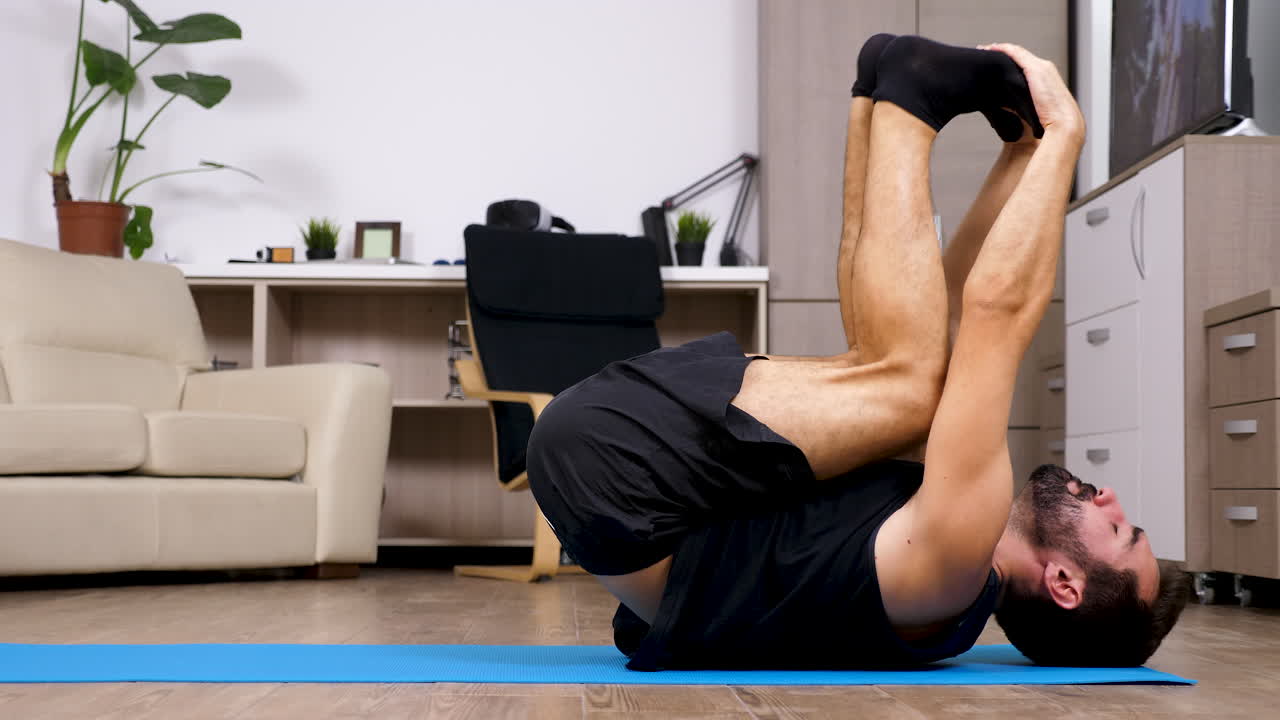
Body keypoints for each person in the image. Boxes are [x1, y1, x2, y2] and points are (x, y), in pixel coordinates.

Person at [526, 35, 1189, 670]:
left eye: (1122, 533)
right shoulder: (935, 588)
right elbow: (949, 313)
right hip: (613, 480)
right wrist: (1023, 149)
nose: (1114, 503)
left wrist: (1066, 135)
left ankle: (907, 93)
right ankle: (876, 94)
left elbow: (998, 313)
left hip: (616, 472)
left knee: (905, 384)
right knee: (897, 368)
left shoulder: (961, 555)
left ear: (1065, 582)